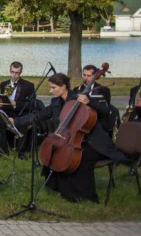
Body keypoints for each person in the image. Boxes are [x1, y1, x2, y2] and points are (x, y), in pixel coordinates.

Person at [15, 73, 126, 203]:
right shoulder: (56, 101)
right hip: (71, 140)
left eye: (53, 88)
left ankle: (84, 195)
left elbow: (107, 111)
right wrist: (18, 121)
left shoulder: (80, 98)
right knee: (55, 152)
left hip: (93, 141)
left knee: (79, 158)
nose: (50, 91)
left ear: (63, 87)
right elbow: (43, 114)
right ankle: (61, 188)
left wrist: (90, 102)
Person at [0, 61, 36, 157]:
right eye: (12, 72)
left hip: (21, 113)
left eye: (17, 73)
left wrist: (16, 104)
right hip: (8, 112)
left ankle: (21, 151)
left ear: (21, 72)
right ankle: (3, 150)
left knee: (22, 122)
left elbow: (32, 104)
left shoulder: (28, 86)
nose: (14, 75)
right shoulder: (3, 84)